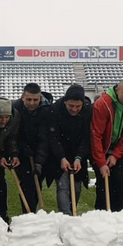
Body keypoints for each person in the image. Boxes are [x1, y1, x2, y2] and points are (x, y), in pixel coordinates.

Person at [90, 78, 123, 211]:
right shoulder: (103, 104)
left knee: (120, 184)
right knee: (103, 185)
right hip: (101, 147)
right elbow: (96, 135)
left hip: (120, 150)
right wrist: (101, 163)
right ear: (117, 90)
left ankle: (120, 216)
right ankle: (101, 214)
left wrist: (115, 155)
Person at [46, 84, 92, 215]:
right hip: (59, 154)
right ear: (65, 101)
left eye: (78, 106)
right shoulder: (55, 109)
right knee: (63, 186)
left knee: (76, 188)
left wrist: (79, 157)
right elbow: (53, 137)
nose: (74, 109)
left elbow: (87, 137)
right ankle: (65, 216)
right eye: (71, 106)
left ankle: (72, 213)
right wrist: (61, 157)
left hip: (78, 153)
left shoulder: (88, 110)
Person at [12, 83, 50, 213]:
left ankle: (32, 215)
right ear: (23, 97)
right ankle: (29, 216)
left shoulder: (46, 110)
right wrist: (22, 148)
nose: (32, 103)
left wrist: (39, 162)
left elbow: (44, 138)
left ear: (40, 98)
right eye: (29, 99)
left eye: (35, 100)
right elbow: (14, 135)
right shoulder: (15, 109)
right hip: (22, 154)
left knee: (36, 186)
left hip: (41, 153)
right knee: (26, 185)